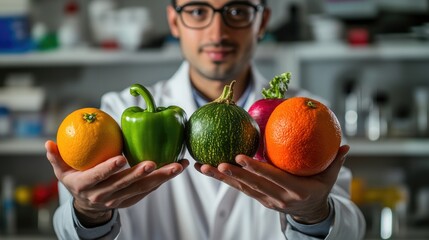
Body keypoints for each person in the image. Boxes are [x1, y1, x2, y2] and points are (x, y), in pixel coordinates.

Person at [45, 0, 366, 239]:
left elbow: (350, 226)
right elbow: (67, 227)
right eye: (198, 11)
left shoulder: (309, 117)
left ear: (263, 21)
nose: (217, 32)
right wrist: (88, 212)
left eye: (237, 11)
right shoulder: (116, 113)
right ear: (174, 21)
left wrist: (312, 214)